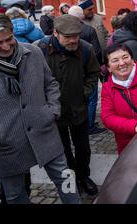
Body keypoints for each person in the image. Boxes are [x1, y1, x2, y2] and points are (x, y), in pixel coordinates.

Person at [0, 14, 80, 204]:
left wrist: (52, 110)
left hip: (44, 129)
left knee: (66, 178)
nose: (6, 47)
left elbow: (50, 84)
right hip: (6, 141)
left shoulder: (32, 53)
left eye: (9, 39)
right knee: (15, 194)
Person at [36, 15, 100, 196]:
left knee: (83, 148)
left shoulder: (85, 49)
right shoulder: (39, 50)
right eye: (68, 36)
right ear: (55, 33)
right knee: (62, 150)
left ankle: (84, 176)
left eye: (76, 36)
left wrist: (84, 92)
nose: (73, 40)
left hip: (78, 108)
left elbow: (93, 74)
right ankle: (70, 180)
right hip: (53, 113)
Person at [67, 6, 107, 135]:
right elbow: (97, 51)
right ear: (81, 15)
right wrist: (99, 66)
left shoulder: (63, 31)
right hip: (88, 70)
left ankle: (82, 122)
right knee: (91, 98)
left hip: (72, 71)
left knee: (78, 97)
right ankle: (89, 126)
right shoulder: (89, 30)